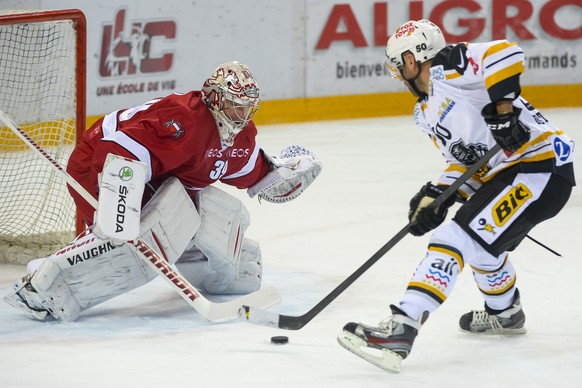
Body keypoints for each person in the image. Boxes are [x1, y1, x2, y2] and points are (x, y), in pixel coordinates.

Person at [337, 19, 575, 373]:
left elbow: (506, 53)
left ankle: (403, 327)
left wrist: (504, 111)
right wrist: (438, 195)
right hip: (515, 175)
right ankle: (505, 312)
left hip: (538, 168)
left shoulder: (449, 66)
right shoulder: (424, 112)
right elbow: (464, 162)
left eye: (398, 65)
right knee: (479, 244)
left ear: (411, 59)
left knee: (455, 237)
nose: (398, 74)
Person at [4, 61, 322, 322]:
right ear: (213, 98)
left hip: (156, 176)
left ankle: (210, 270)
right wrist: (121, 207)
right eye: (236, 107)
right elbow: (118, 149)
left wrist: (278, 176)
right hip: (100, 163)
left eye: (248, 108)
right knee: (137, 240)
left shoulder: (240, 135)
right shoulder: (185, 119)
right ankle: (43, 285)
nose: (242, 116)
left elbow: (251, 172)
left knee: (212, 210)